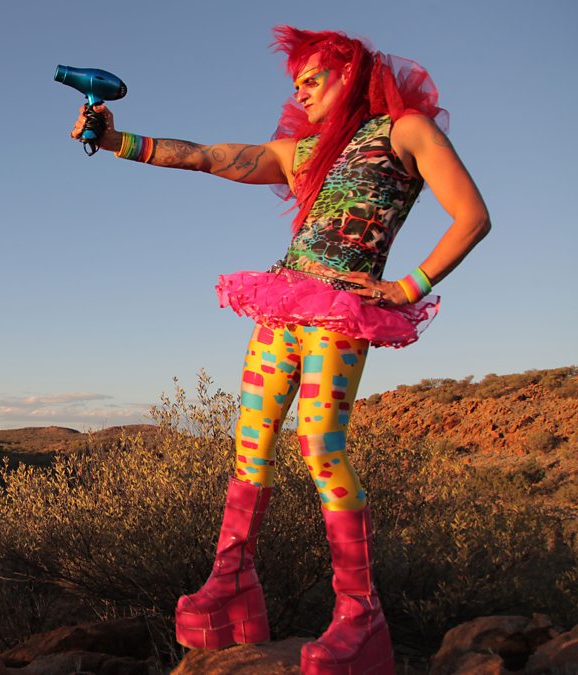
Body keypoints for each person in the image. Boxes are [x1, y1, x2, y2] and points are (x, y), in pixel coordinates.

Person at [70, 26, 489, 675]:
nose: (301, 90)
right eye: (295, 83)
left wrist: (407, 287)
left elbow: (471, 215)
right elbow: (209, 155)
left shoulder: (405, 131)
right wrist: (115, 138)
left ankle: (360, 613)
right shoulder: (305, 152)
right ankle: (231, 582)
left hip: (342, 311)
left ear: (349, 71)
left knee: (321, 443)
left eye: (312, 77)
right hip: (283, 306)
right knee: (250, 439)